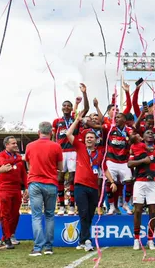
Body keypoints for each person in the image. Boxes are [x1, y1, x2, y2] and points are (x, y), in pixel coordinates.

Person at [66, 114, 116, 252]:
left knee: (90, 214)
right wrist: (77, 120)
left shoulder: (100, 153)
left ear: (96, 140)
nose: (89, 139)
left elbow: (104, 169)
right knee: (83, 213)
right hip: (80, 185)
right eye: (87, 137)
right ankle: (87, 240)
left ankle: (82, 241)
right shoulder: (79, 146)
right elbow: (69, 133)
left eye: (91, 137)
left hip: (93, 188)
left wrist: (112, 181)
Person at [25, 122, 63, 257]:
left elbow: (28, 166)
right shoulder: (56, 146)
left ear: (38, 132)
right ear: (51, 133)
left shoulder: (30, 146)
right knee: (50, 215)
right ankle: (48, 247)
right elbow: (61, 168)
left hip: (35, 183)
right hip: (51, 183)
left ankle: (37, 248)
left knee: (36, 216)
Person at [52, 83, 89, 215]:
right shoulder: (56, 121)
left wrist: (84, 93)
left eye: (69, 105)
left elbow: (86, 108)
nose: (66, 107)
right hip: (61, 152)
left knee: (72, 178)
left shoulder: (76, 119)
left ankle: (72, 206)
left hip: (73, 151)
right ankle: (61, 206)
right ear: (62, 108)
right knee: (60, 178)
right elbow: (53, 137)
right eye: (64, 105)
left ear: (71, 108)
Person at [128, 130, 155, 251]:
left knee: (153, 212)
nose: (150, 134)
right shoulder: (136, 148)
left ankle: (150, 240)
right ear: (142, 137)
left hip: (153, 183)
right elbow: (129, 163)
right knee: (137, 211)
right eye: (147, 132)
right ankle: (136, 239)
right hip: (139, 182)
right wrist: (143, 161)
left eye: (152, 133)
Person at [0, 136, 28, 249]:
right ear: (6, 145)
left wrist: (26, 187)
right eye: (13, 143)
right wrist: (19, 159)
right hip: (3, 188)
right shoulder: (0, 156)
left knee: (15, 214)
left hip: (16, 188)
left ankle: (11, 234)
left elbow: (23, 174)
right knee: (4, 214)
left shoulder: (18, 158)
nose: (15, 145)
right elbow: (4, 163)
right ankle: (6, 237)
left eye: (16, 143)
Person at [103, 112, 134, 215]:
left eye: (118, 117)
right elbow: (98, 125)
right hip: (111, 160)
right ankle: (111, 206)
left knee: (129, 181)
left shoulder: (129, 130)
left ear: (124, 120)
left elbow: (134, 138)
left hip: (124, 161)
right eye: (115, 117)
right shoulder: (110, 129)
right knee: (109, 182)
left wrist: (129, 137)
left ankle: (125, 203)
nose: (116, 119)